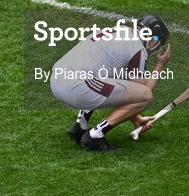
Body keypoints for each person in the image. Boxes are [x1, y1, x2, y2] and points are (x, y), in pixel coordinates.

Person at [50, 15, 171, 151]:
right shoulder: (137, 47)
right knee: (145, 95)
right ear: (152, 38)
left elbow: (124, 88)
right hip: (75, 86)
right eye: (157, 42)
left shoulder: (118, 30)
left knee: (103, 77)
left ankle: (80, 126)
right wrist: (159, 66)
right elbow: (144, 90)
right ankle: (95, 136)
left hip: (56, 79)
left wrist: (135, 118)